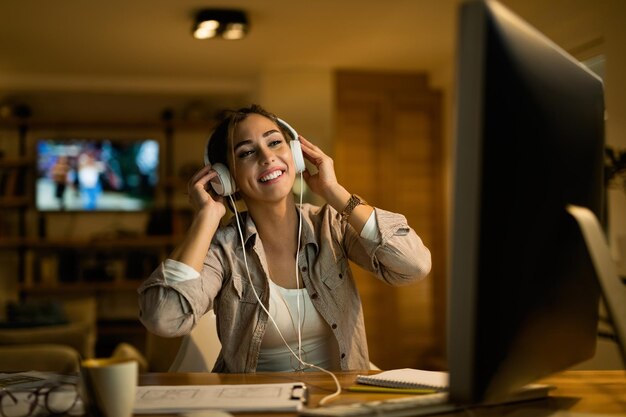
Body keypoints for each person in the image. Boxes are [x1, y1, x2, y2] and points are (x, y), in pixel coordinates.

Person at [138, 104, 431, 373]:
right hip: (256, 406)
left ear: (296, 155)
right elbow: (164, 318)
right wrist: (206, 217)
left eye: (275, 142)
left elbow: (412, 265)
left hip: (339, 398)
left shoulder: (330, 224)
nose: (267, 157)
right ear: (226, 179)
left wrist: (335, 191)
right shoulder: (223, 249)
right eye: (246, 152)